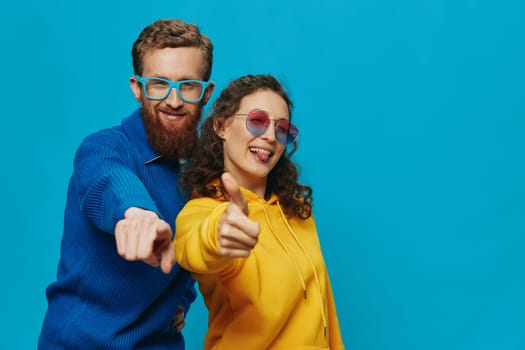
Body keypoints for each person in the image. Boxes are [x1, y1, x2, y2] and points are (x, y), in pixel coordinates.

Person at [39, 19, 215, 349]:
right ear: (137, 88)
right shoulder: (104, 148)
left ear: (205, 92)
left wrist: (182, 300)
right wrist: (136, 214)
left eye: (187, 85)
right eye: (159, 84)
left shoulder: (203, 175)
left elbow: (193, 251)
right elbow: (107, 179)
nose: (173, 100)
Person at [173, 74, 345, 349]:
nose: (269, 136)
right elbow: (194, 246)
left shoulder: (296, 212)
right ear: (221, 125)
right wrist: (219, 234)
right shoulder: (203, 210)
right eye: (257, 121)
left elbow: (324, 314)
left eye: (281, 129)